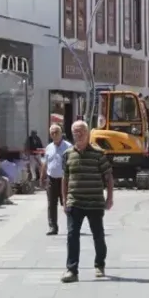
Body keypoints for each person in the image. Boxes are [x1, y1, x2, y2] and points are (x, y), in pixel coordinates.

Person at [61, 121, 113, 283]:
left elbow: (108, 177)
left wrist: (109, 197)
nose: (78, 135)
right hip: (74, 201)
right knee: (72, 235)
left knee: (98, 235)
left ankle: (99, 264)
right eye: (75, 132)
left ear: (88, 133)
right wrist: (64, 200)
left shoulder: (99, 154)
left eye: (82, 131)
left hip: (95, 202)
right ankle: (72, 270)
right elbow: (65, 178)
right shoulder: (68, 154)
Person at [41, 124, 72, 236]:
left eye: (56, 132)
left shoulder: (68, 147)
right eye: (52, 133)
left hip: (64, 180)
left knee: (67, 203)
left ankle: (71, 226)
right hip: (51, 180)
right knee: (51, 204)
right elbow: (45, 163)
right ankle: (53, 227)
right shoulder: (49, 147)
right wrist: (42, 177)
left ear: (61, 133)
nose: (54, 135)